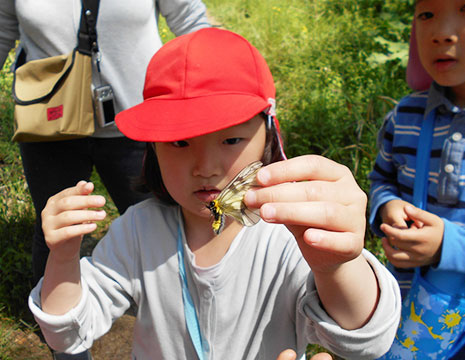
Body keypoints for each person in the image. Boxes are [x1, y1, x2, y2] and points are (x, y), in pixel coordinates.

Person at [29, 28, 401, 359]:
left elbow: (365, 339)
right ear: (152, 150)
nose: (205, 166)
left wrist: (335, 265)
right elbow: (68, 333)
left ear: (268, 137)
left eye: (231, 139)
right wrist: (63, 257)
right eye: (179, 142)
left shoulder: (289, 234)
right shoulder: (136, 231)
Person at [0, 0, 210, 288]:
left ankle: (176, 317)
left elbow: (191, 22)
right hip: (48, 125)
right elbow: (2, 31)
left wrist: (222, 91)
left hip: (138, 123)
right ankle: (53, 321)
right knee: (57, 227)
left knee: (161, 224)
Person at [369, 1, 465, 358]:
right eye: (426, 14)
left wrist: (448, 245)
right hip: (413, 312)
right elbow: (382, 178)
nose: (440, 33)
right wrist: (387, 205)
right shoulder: (406, 115)